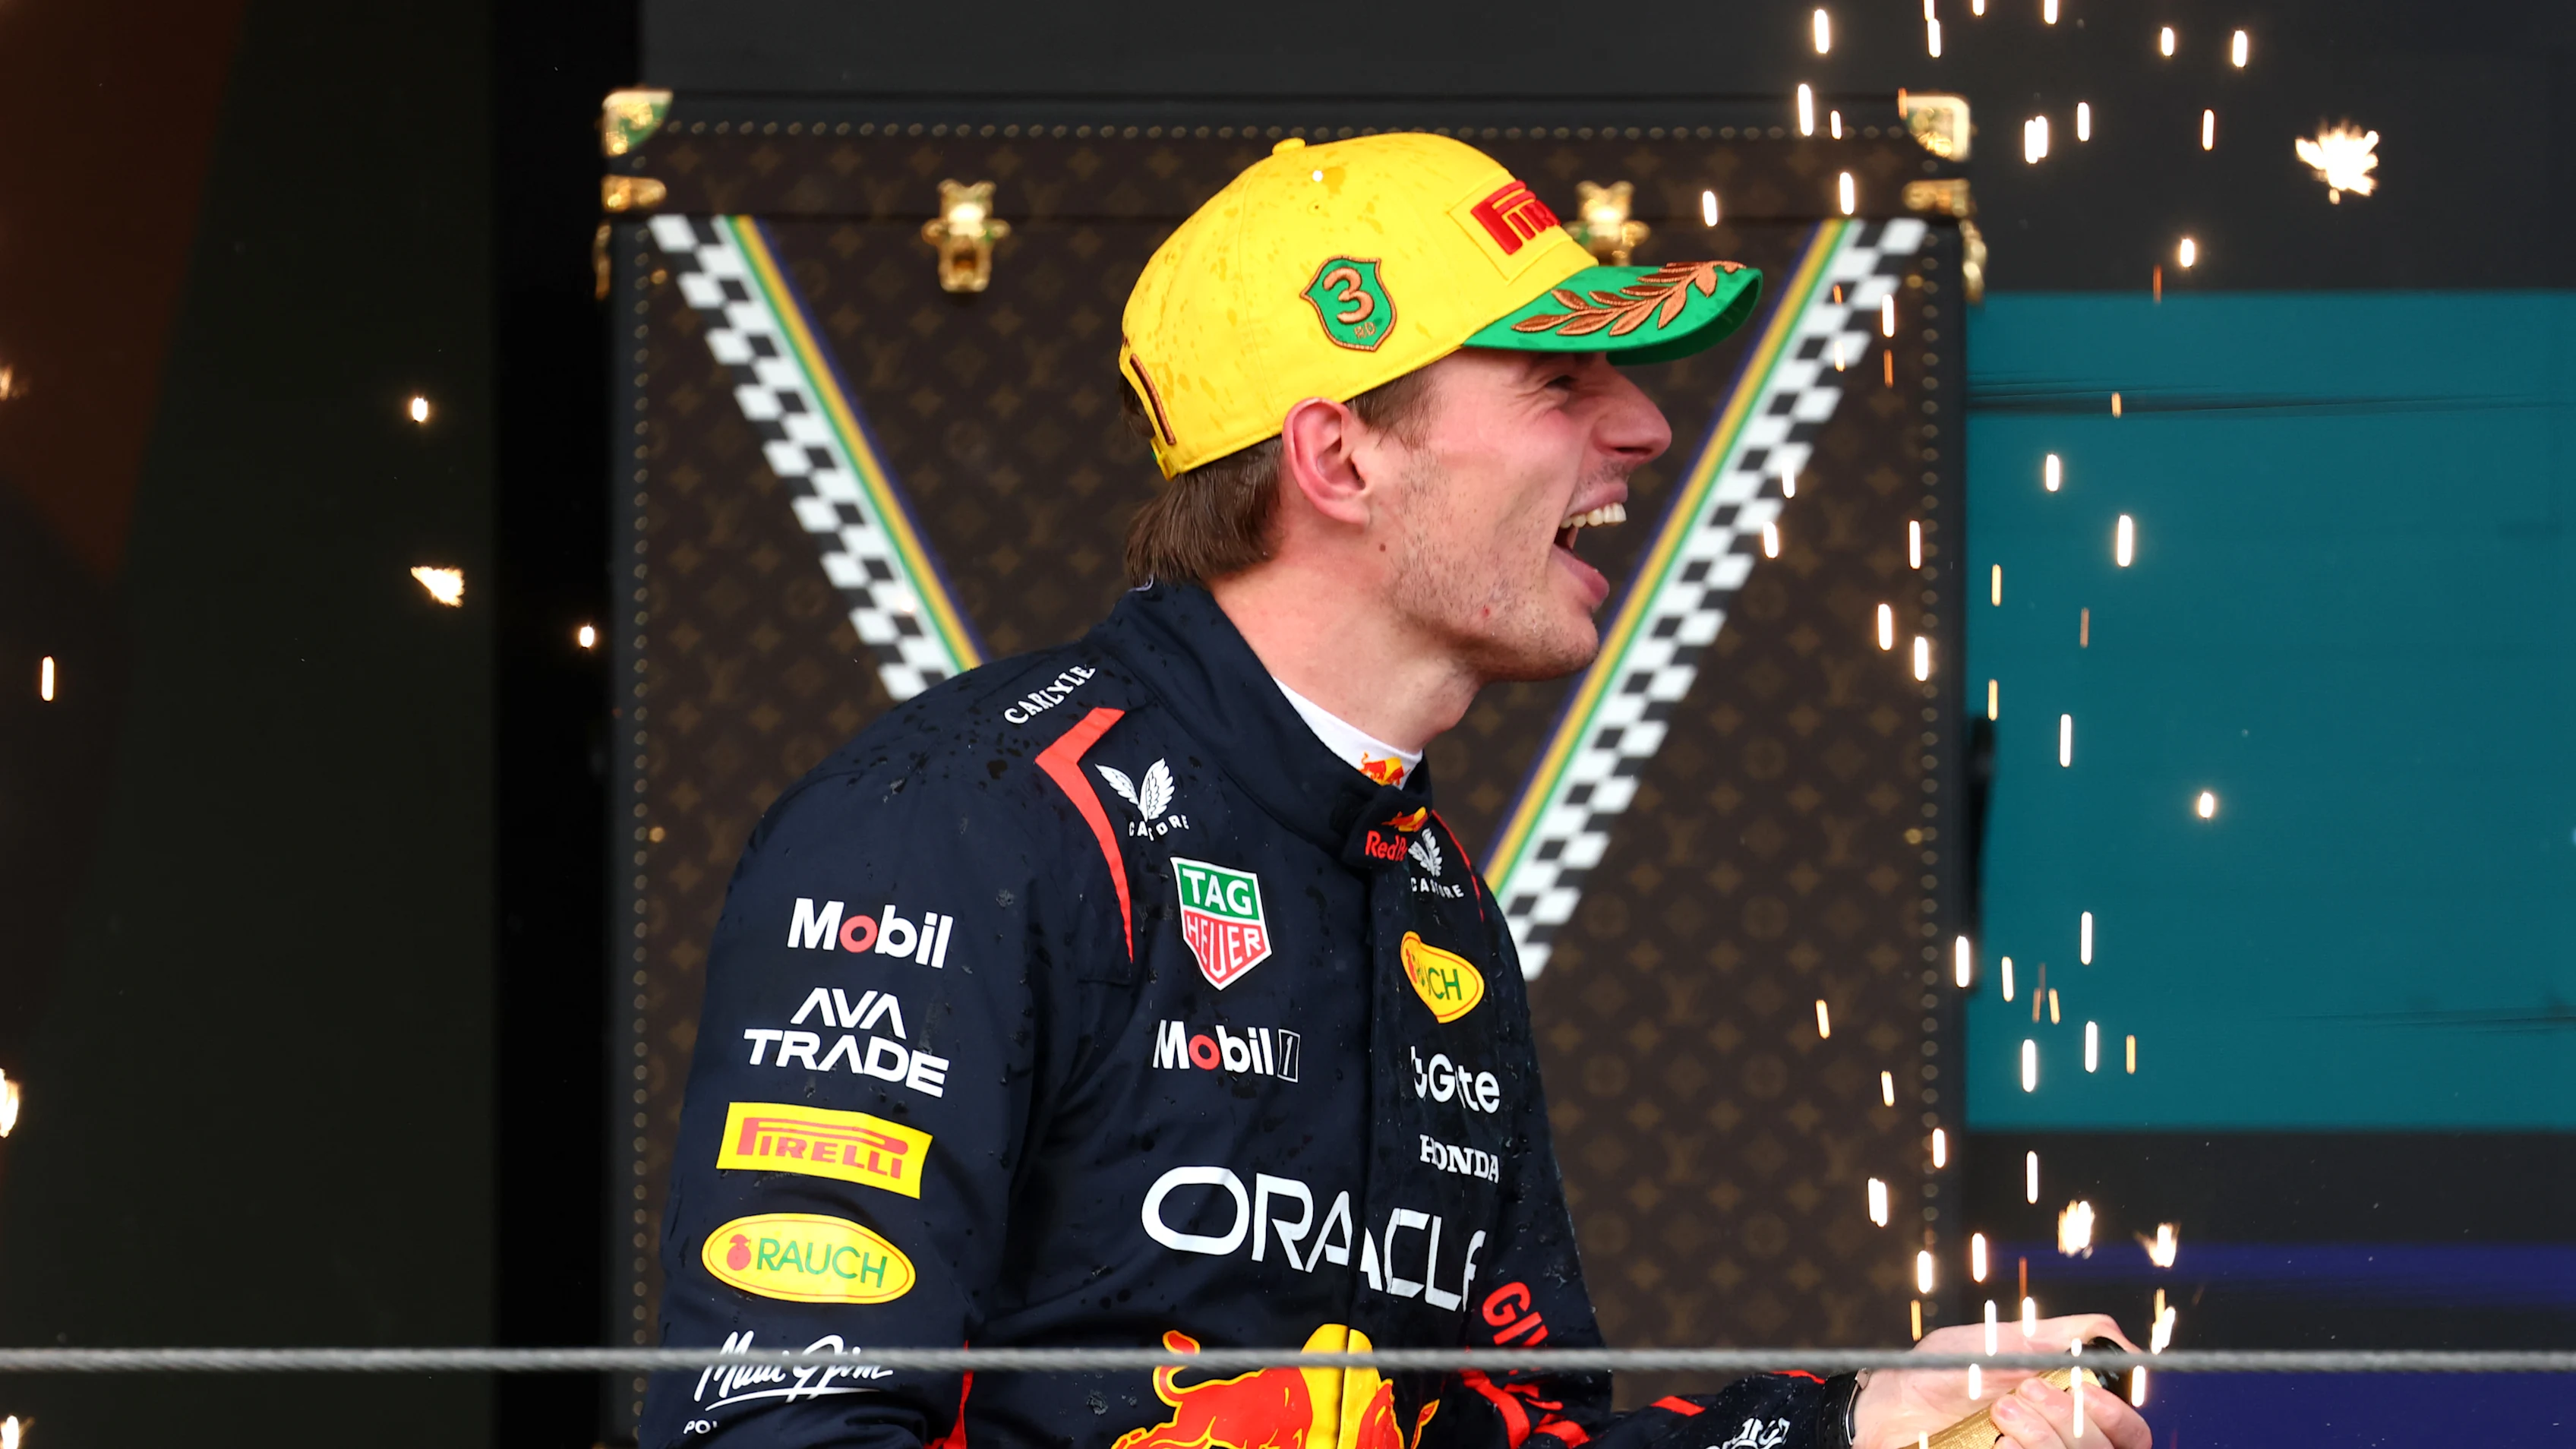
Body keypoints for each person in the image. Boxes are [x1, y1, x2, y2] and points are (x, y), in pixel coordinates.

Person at [642, 132, 2150, 1449]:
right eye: (1559, 379)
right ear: (1338, 455)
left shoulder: (1424, 892)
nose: (1640, 426)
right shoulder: (955, 823)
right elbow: (777, 1427)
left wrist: (1842, 1428)